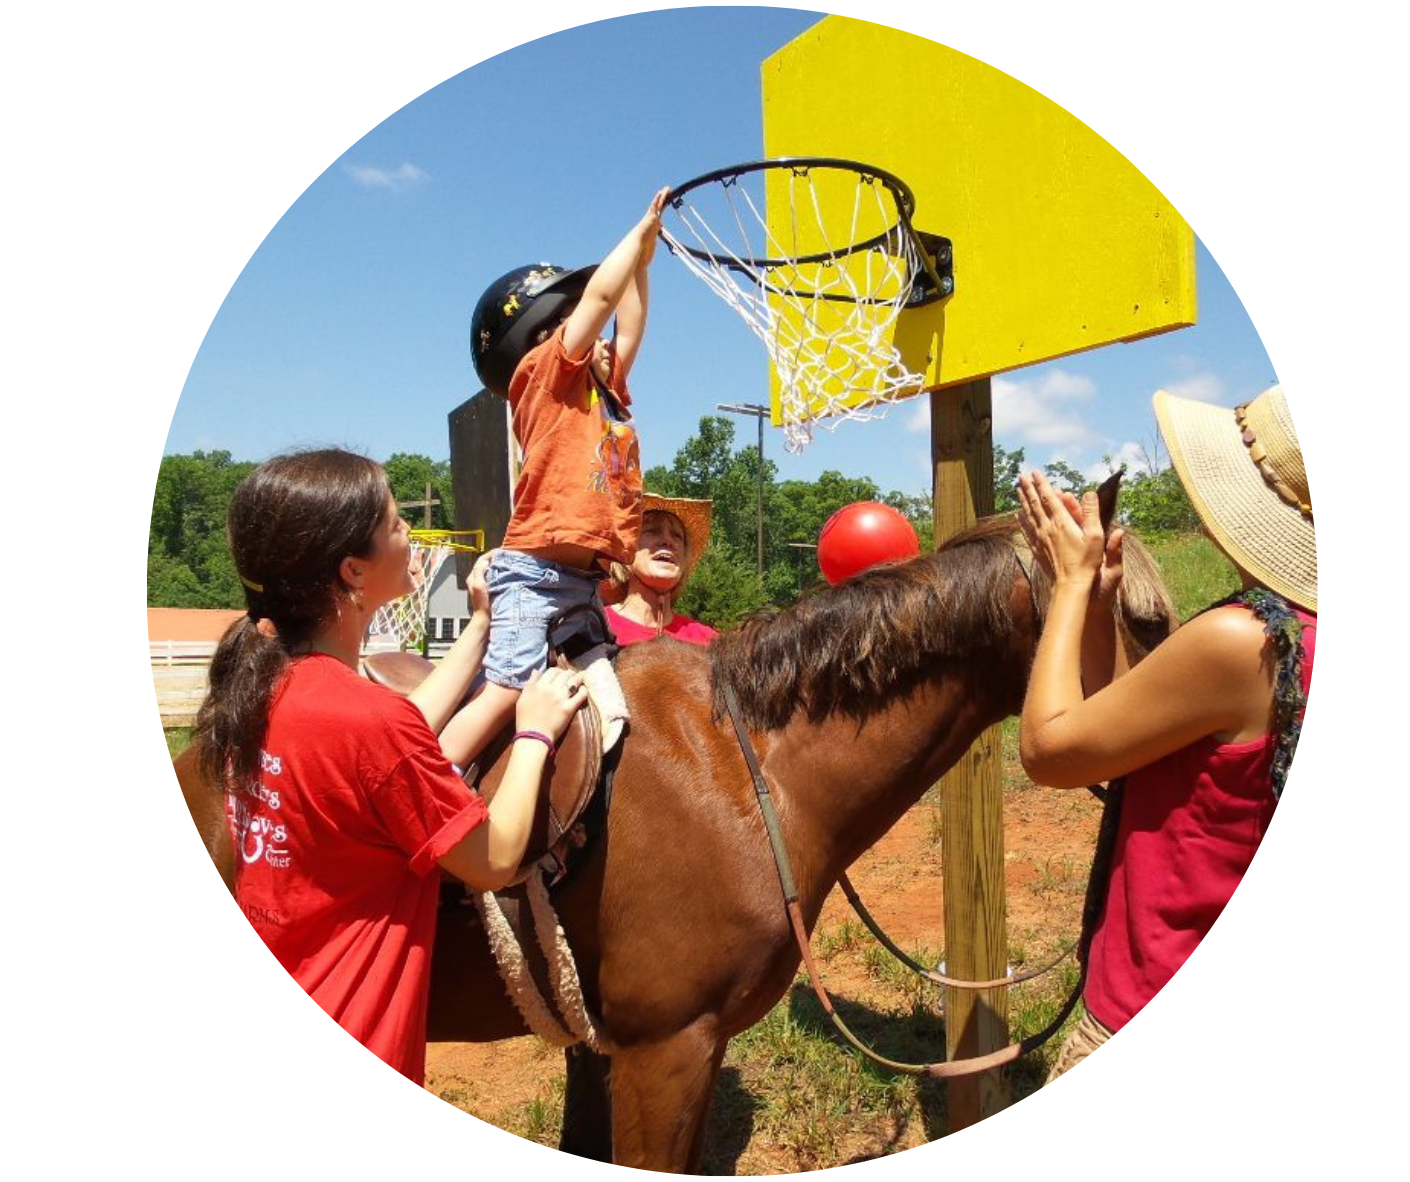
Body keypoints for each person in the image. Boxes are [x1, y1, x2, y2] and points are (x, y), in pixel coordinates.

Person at [193, 449, 588, 1087]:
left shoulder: (264, 686)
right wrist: (536, 728)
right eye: (398, 525)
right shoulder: (367, 719)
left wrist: (483, 624)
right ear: (353, 570)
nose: (411, 538)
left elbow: (399, 735)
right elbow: (494, 858)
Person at [1016, 384, 1315, 1081]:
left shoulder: (1243, 640)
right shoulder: (1289, 632)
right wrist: (1096, 607)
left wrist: (1065, 584)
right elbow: (1120, 727)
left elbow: (1051, 751)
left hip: (1143, 992)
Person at [440, 187, 670, 766]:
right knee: (507, 692)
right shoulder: (543, 377)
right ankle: (424, 789)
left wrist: (643, 267)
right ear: (543, 337)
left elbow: (631, 325)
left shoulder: (605, 391)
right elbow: (599, 297)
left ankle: (558, 832)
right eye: (577, 326)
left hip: (583, 584)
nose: (601, 339)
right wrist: (637, 233)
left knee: (607, 706)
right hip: (535, 576)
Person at [602, 492, 719, 645]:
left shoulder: (708, 641)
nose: (668, 541)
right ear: (625, 549)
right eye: (652, 531)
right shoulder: (594, 628)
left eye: (677, 536)